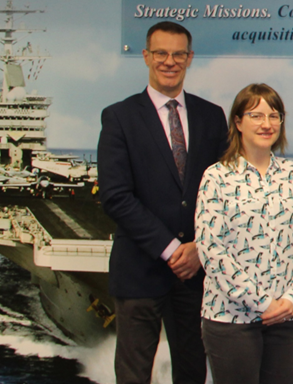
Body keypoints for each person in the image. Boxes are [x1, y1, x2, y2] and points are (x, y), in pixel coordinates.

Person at [98, 21, 228, 384]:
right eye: (161, 53)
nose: (169, 61)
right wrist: (173, 250)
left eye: (178, 54)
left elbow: (225, 195)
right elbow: (115, 196)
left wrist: (200, 249)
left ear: (189, 58)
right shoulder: (119, 117)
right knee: (134, 374)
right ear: (146, 56)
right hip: (140, 270)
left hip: (196, 273)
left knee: (192, 371)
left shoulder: (211, 116)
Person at [195, 83, 293, 384]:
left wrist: (290, 300)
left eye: (274, 116)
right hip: (232, 320)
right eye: (256, 115)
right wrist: (264, 303)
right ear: (237, 122)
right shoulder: (216, 178)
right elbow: (212, 252)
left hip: (288, 319)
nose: (267, 124)